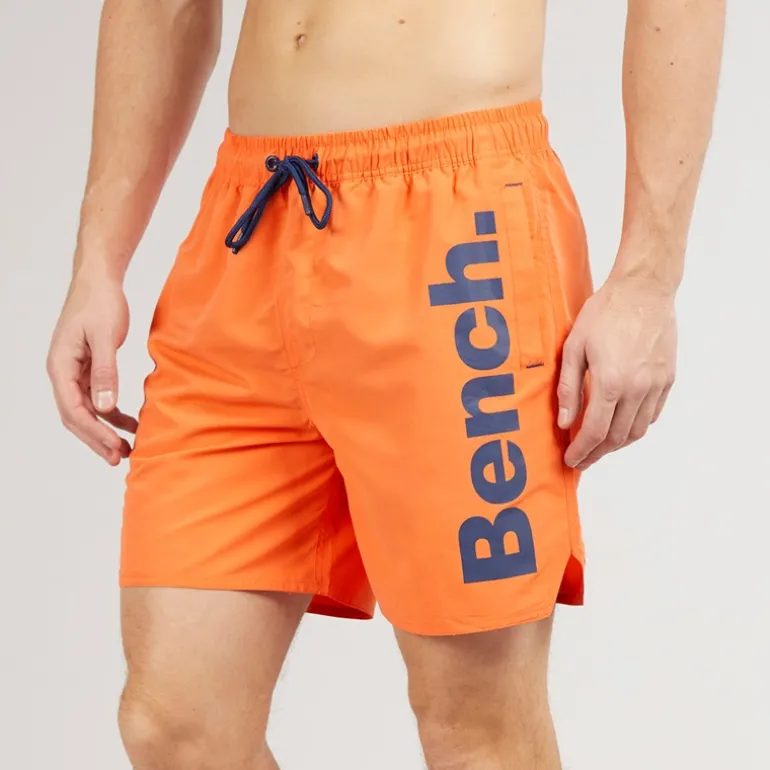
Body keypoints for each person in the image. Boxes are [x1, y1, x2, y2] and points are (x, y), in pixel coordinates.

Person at [46, 1, 725, 768]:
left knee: (474, 730)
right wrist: (98, 261)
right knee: (176, 726)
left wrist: (647, 277)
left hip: (454, 235)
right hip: (251, 220)